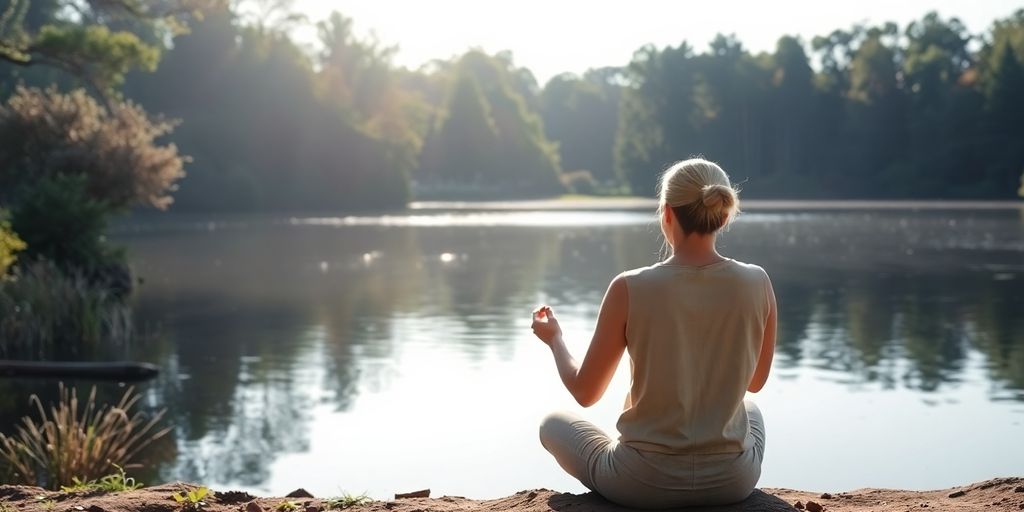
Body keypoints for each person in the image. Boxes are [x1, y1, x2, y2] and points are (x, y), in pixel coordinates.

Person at [531, 158, 777, 509]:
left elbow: (586, 392)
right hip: (732, 482)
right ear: (723, 215)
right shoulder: (758, 281)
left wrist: (555, 339)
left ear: (666, 214)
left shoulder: (629, 287)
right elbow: (755, 382)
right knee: (750, 408)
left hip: (641, 482)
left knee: (551, 425)